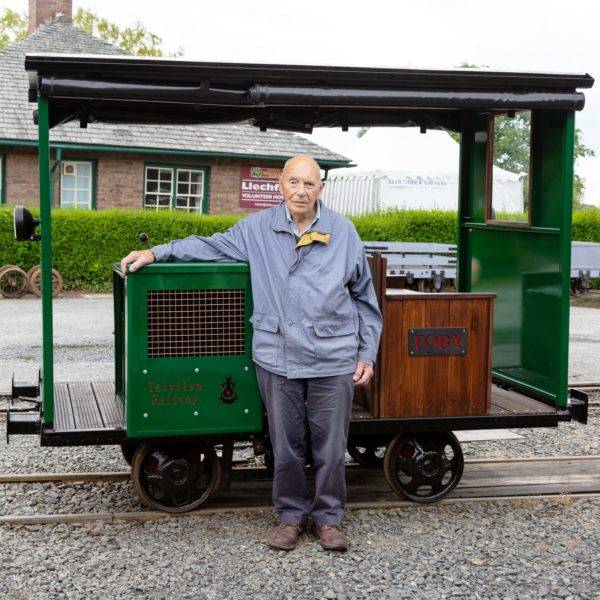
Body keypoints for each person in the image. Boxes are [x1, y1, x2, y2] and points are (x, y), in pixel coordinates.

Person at [120, 155, 382, 552]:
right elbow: (209, 246)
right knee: (285, 444)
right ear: (281, 184)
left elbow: (364, 298)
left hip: (333, 356)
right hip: (278, 357)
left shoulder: (344, 232)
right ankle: (291, 516)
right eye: (294, 182)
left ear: (321, 189)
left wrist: (367, 353)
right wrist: (158, 253)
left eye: (309, 184)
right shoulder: (257, 228)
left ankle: (329, 518)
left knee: (330, 447)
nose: (301, 191)